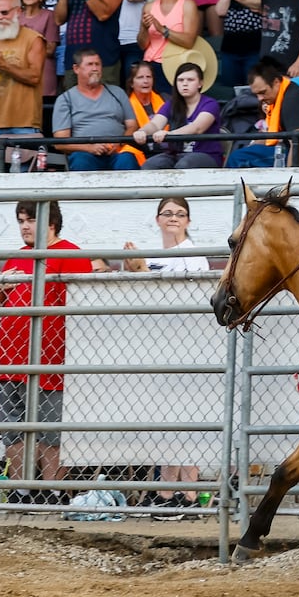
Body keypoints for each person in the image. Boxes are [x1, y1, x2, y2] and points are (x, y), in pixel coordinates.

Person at [0, 200, 93, 501]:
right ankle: (21, 490)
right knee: (13, 427)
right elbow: (0, 304)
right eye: (21, 220)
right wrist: (1, 289)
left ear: (51, 223)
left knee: (51, 429)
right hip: (10, 357)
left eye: (30, 220)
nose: (24, 226)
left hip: (51, 358)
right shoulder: (16, 259)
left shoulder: (71, 255)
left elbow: (83, 306)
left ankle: (52, 491)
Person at [121, 195, 210, 509]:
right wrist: (133, 270)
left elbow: (182, 296)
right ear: (157, 219)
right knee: (166, 421)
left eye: (180, 213)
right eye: (167, 213)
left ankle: (187, 493)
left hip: (186, 346)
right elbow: (145, 295)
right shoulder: (157, 254)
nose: (173, 218)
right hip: (159, 344)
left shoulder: (194, 255)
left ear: (188, 221)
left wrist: (142, 269)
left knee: (187, 422)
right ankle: (166, 493)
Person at [0, 0, 46, 172]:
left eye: (4, 12)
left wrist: (3, 64)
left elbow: (34, 77)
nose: (0, 17)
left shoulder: (34, 39)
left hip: (25, 123)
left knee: (24, 184)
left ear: (18, 12)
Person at [226, 57, 299, 167]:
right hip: (284, 149)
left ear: (276, 82)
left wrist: (291, 179)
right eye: (256, 94)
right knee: (244, 151)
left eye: (263, 92)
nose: (260, 99)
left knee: (238, 158)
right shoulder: (281, 95)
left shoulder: (293, 99)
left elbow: (297, 145)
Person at [51, 48, 139, 171]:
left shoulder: (117, 92)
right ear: (76, 69)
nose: (95, 69)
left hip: (117, 152)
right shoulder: (65, 99)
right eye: (89, 64)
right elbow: (60, 142)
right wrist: (90, 148)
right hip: (84, 154)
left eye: (97, 64)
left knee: (128, 159)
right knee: (81, 161)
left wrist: (119, 142)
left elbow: (132, 125)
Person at [132, 62, 223, 169]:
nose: (185, 84)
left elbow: (197, 128)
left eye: (190, 80)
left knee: (184, 165)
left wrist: (170, 134)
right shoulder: (171, 104)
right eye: (180, 80)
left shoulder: (210, 104)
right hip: (175, 155)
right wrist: (142, 131)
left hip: (206, 155)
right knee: (150, 165)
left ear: (200, 83)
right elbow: (155, 125)